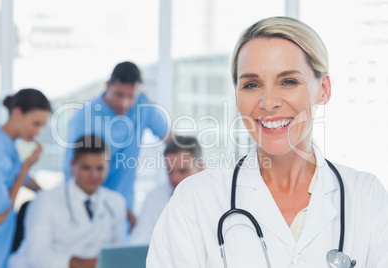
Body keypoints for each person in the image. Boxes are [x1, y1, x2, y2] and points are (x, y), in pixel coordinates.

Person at [147, 17, 388, 267]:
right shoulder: (195, 200)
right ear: (237, 95)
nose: (268, 101)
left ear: (324, 89)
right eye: (252, 85)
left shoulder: (366, 197)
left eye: (288, 81)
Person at [64, 61, 170, 228]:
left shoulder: (142, 104)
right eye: (119, 95)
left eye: (130, 96)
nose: (125, 103)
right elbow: (74, 174)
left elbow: (171, 138)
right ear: (108, 85)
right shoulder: (83, 119)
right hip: (87, 209)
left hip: (123, 211)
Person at [9, 134, 127, 268]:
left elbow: (118, 254)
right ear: (73, 165)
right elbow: (36, 256)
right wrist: (81, 264)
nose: (94, 175)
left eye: (100, 168)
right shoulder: (45, 200)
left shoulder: (116, 202)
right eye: (86, 168)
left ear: (109, 166)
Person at [0, 88, 51, 268]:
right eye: (35, 123)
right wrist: (26, 167)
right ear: (17, 114)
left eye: (42, 126)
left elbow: (20, 178)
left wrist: (51, 196)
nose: (38, 131)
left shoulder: (6, 143)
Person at [131, 136, 203, 245]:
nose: (174, 178)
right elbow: (138, 243)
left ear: (200, 168)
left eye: (183, 171)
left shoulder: (217, 197)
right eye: (170, 171)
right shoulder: (154, 198)